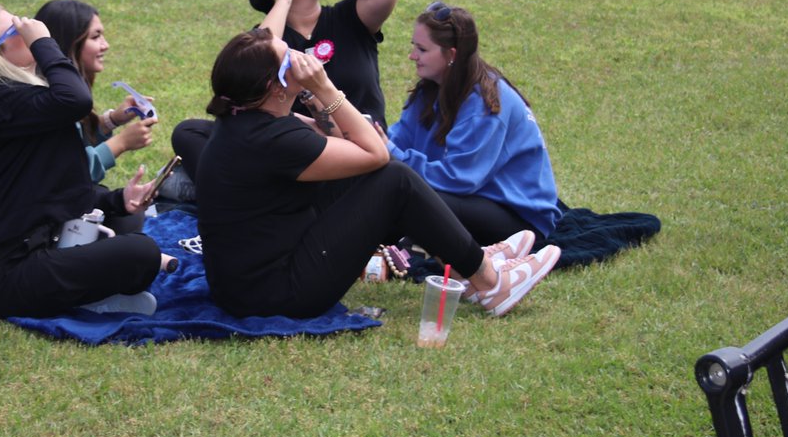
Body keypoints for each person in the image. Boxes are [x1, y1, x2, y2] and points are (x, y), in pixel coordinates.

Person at [193, 28, 561, 319]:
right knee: (395, 181)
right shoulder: (273, 138)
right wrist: (324, 86)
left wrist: (311, 95)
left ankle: (469, 267)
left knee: (362, 178)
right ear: (274, 88)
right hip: (277, 293)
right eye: (289, 59)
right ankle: (489, 281)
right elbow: (376, 153)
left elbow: (338, 136)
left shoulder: (247, 118)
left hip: (247, 283)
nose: (301, 58)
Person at [0, 6, 176, 319]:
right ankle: (85, 296)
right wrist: (43, 42)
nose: (30, 28)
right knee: (143, 253)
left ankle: (83, 282)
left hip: (28, 236)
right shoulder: (1, 105)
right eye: (18, 29)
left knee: (126, 221)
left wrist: (118, 199)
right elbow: (75, 101)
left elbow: (48, 187)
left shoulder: (10, 102)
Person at [170, 0, 401, 189]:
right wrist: (282, 1)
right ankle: (225, 190)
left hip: (360, 146)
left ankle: (221, 189)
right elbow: (260, 56)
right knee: (188, 132)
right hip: (299, 150)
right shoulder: (271, 42)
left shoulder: (349, 18)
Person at [385, 1, 562, 248]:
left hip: (516, 218)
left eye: (422, 49)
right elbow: (398, 140)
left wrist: (393, 156)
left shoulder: (485, 104)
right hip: (469, 197)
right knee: (388, 188)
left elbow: (460, 179)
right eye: (414, 46)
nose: (412, 55)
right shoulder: (429, 89)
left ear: (452, 55)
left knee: (410, 196)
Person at [34, 0, 157, 233]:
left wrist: (113, 120)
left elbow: (72, 146)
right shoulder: (49, 100)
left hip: (45, 197)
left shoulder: (57, 88)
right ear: (69, 43)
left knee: (119, 208)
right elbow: (70, 174)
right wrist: (120, 143)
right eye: (95, 37)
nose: (106, 45)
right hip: (30, 209)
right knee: (123, 216)